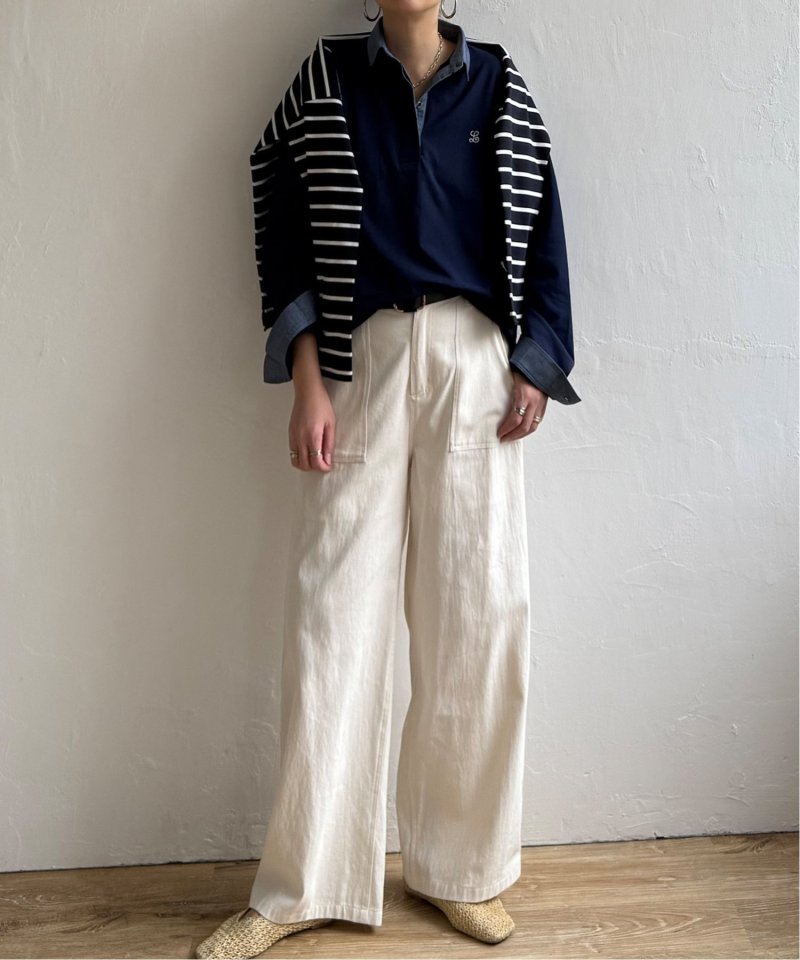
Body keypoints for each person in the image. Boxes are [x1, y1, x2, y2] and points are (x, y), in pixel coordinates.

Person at [196, 1, 580, 957]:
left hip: (474, 366)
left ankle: (464, 871)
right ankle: (301, 886)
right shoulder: (325, 80)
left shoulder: (499, 86)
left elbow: (544, 225)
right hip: (359, 361)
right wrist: (308, 381)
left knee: (479, 619)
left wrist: (536, 361)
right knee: (330, 621)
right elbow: (280, 216)